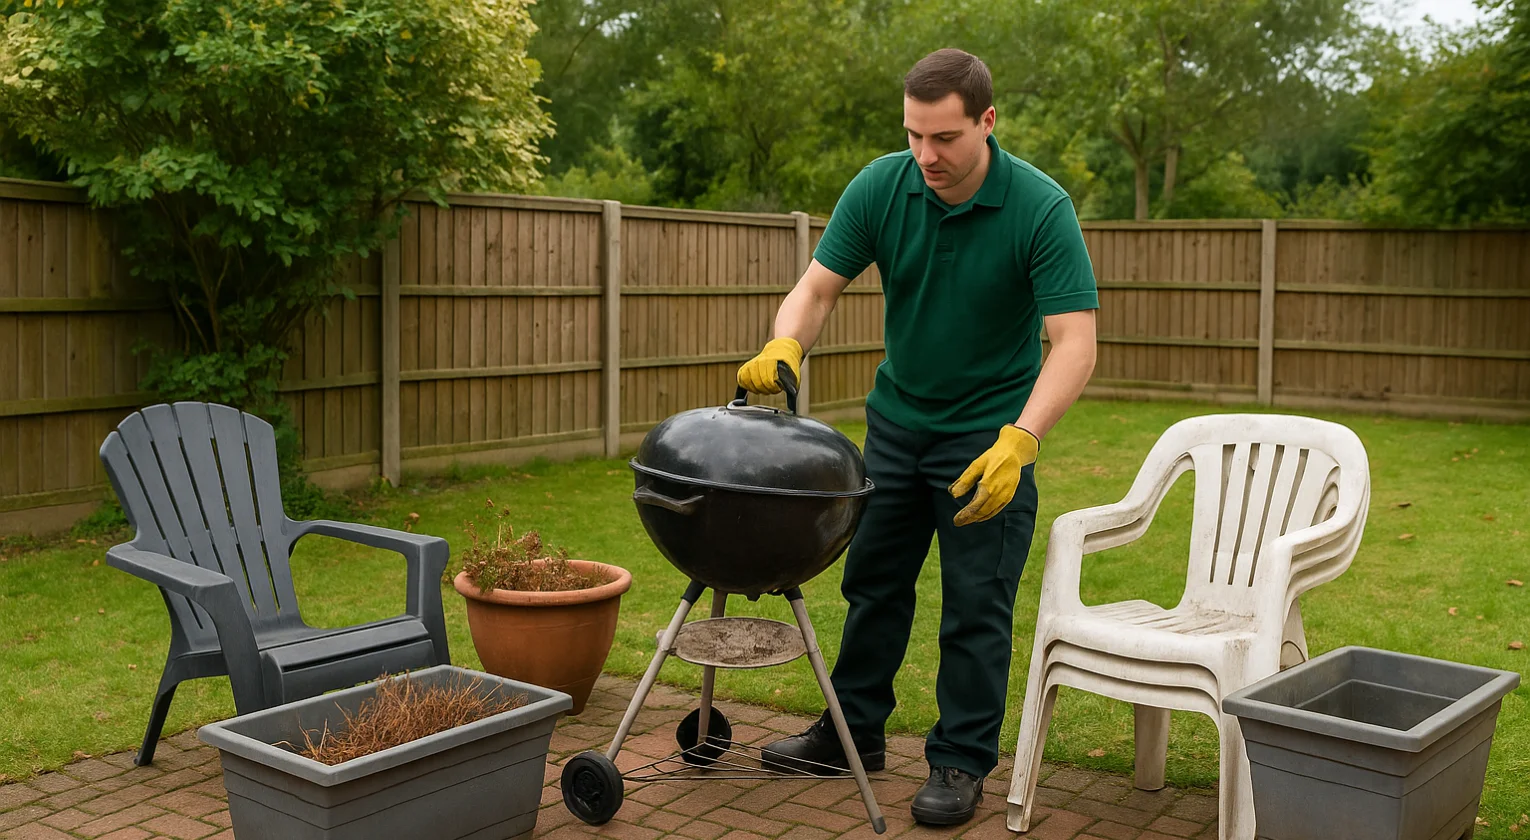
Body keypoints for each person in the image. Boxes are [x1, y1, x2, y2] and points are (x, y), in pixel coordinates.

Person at [735, 48, 1099, 827]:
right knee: (872, 588)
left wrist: (1023, 440)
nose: (926, 156)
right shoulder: (883, 184)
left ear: (987, 122)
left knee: (976, 606)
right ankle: (851, 734)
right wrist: (786, 344)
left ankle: (961, 761)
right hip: (897, 428)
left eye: (944, 138)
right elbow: (818, 286)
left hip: (987, 440)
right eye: (913, 136)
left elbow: (1074, 341)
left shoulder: (1039, 207)